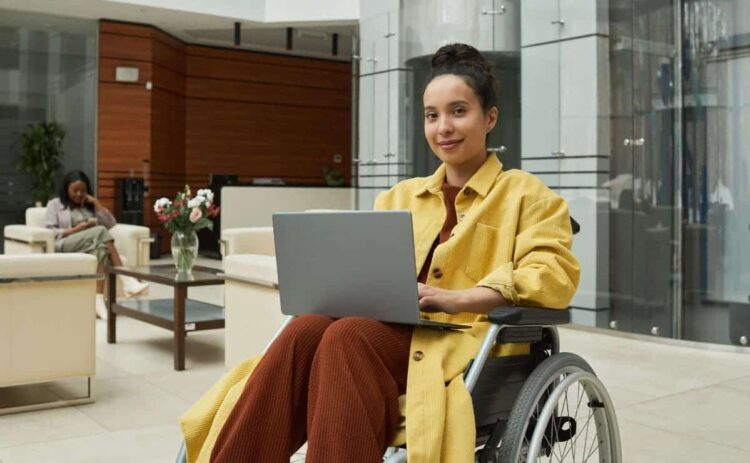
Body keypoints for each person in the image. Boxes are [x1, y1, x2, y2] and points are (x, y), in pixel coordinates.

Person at [180, 43, 580, 463]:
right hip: (388, 331)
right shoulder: (398, 196)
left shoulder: (528, 195)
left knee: (347, 336)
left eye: (458, 111)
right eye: (432, 115)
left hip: (469, 342)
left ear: (490, 118)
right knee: (306, 329)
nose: (443, 126)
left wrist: (458, 297)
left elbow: (552, 275)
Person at [45, 170, 148, 318]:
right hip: (66, 244)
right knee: (100, 231)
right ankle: (127, 279)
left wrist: (97, 204)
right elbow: (50, 231)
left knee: (100, 249)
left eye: (83, 190)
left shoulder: (89, 205)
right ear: (67, 189)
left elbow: (111, 223)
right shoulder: (55, 204)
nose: (79, 194)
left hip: (90, 244)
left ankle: (98, 300)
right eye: (75, 190)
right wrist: (76, 229)